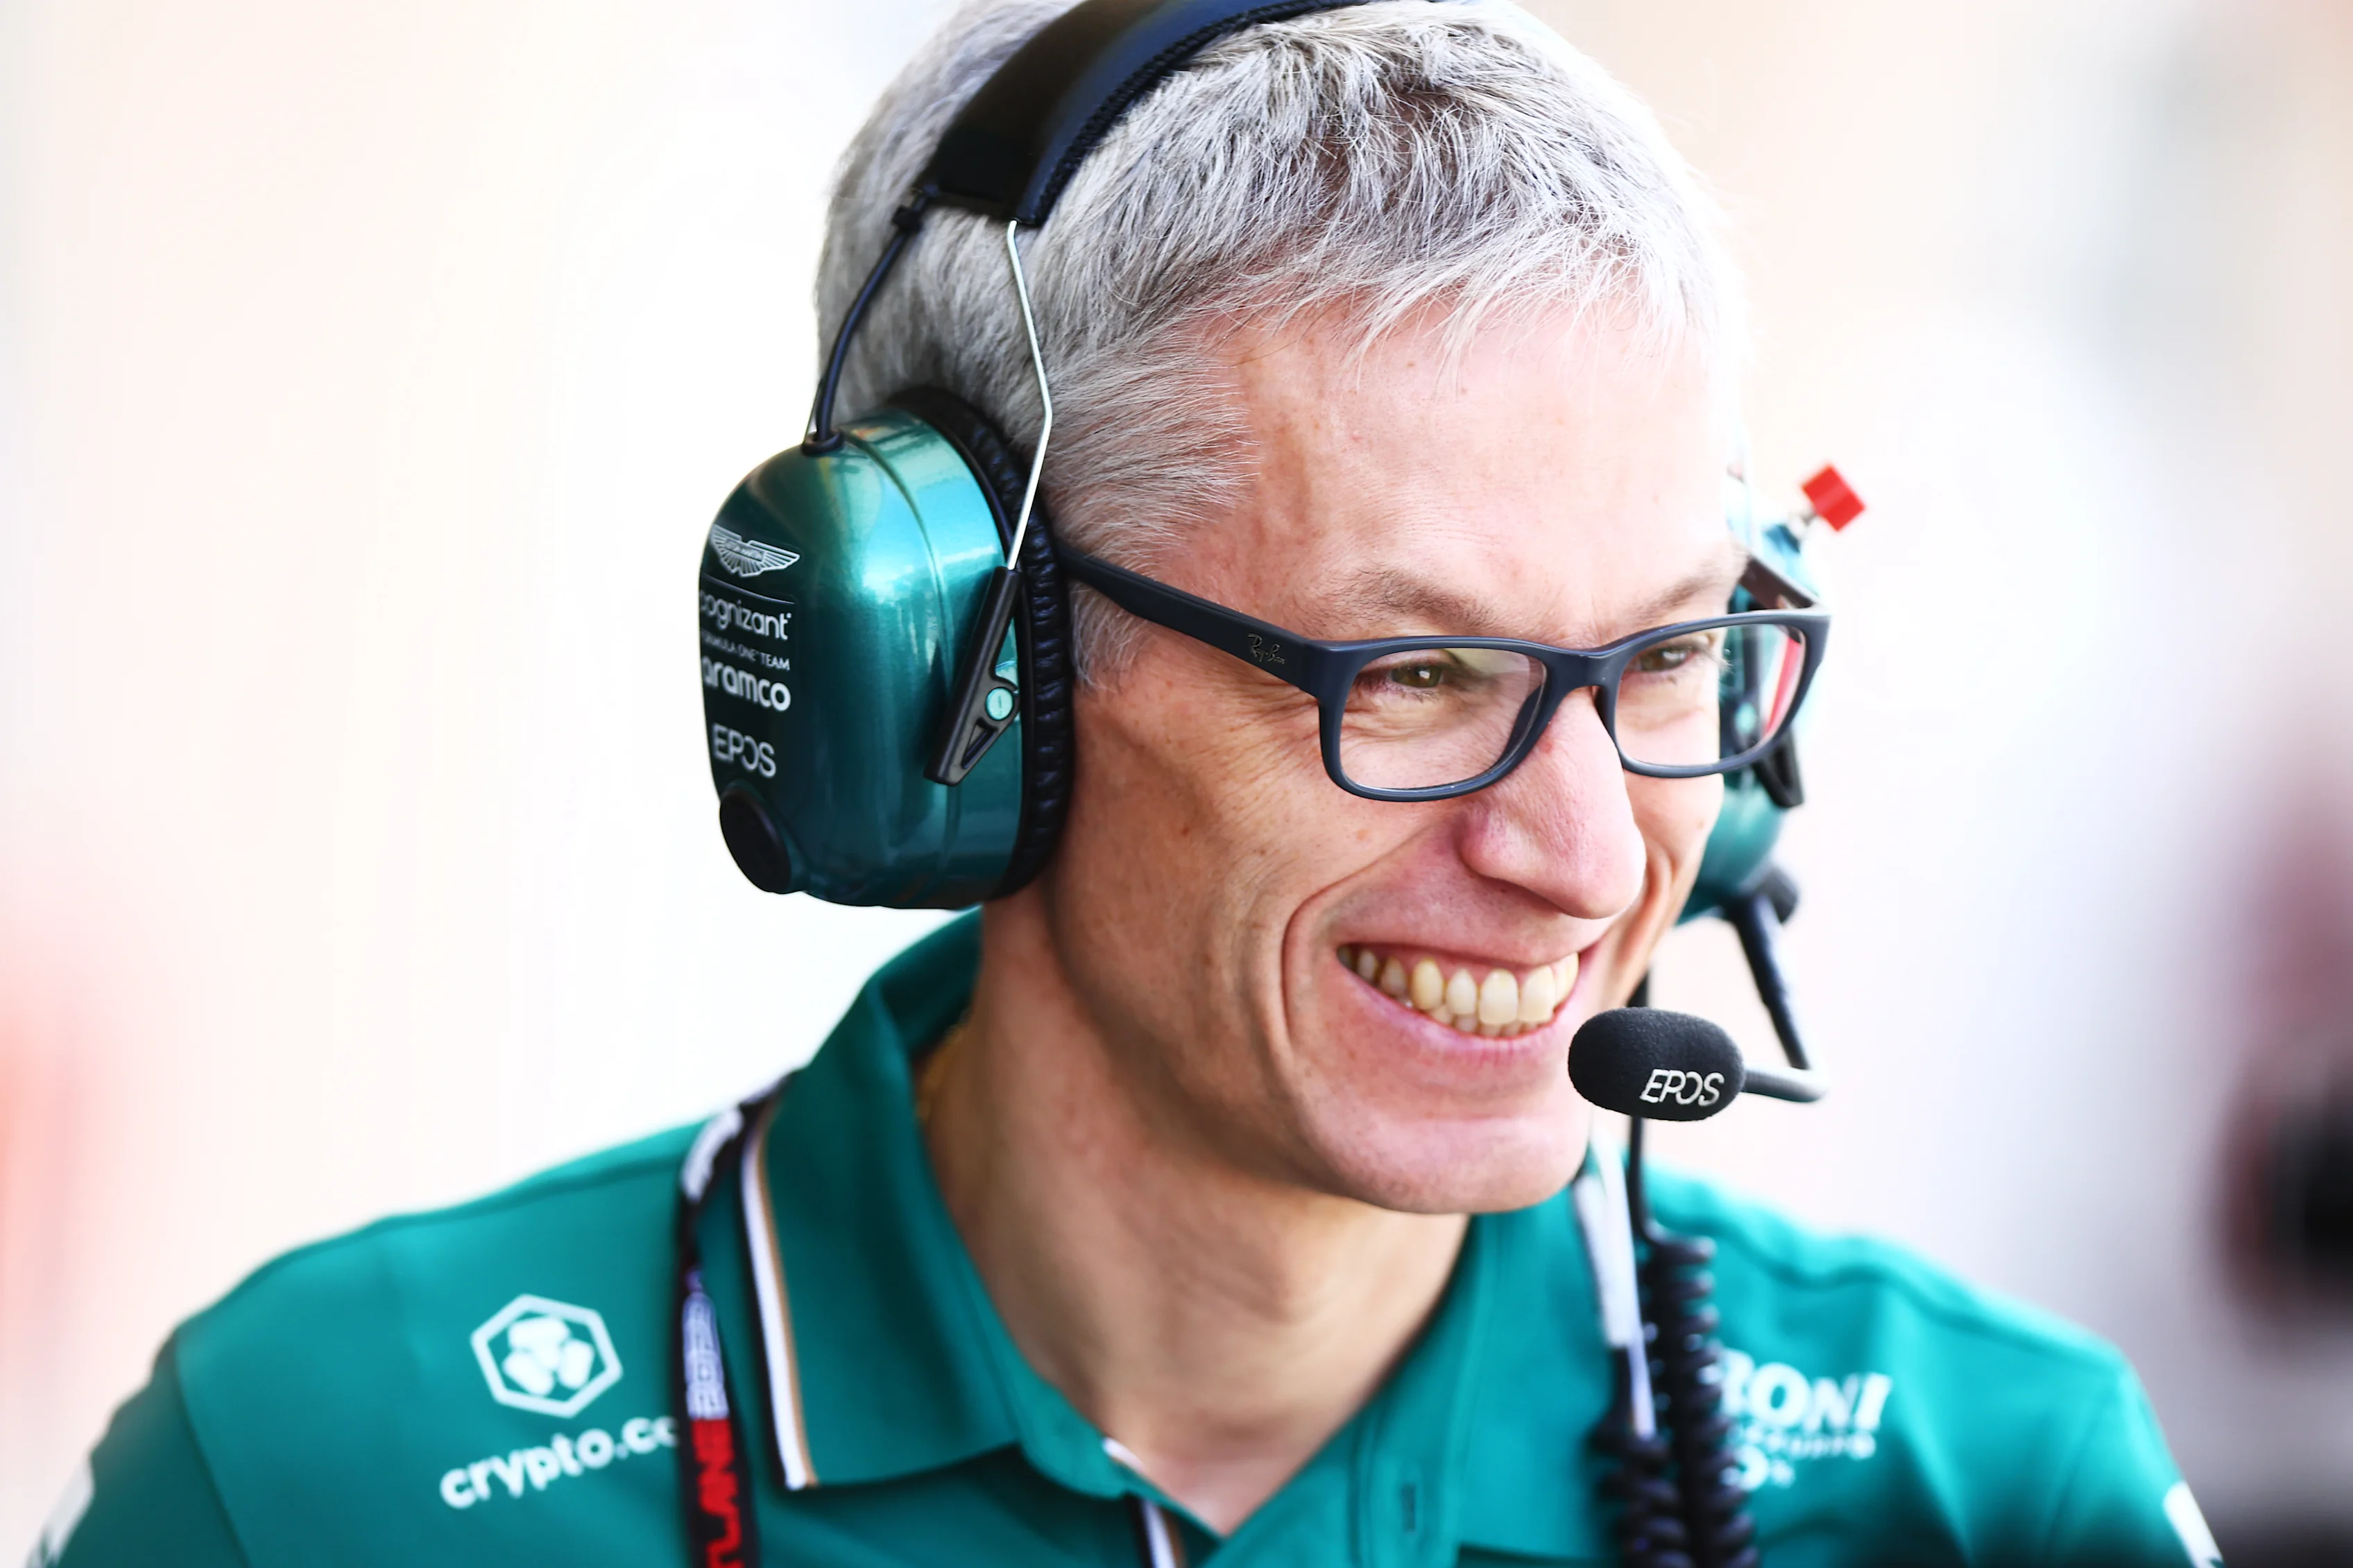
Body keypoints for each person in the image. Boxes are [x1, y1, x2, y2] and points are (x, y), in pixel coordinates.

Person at [34, 2, 2218, 1565]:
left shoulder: (1991, 1480)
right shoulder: (326, 1471)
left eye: (1664, 658)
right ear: (953, 684)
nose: (1577, 857)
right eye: (1419, 670)